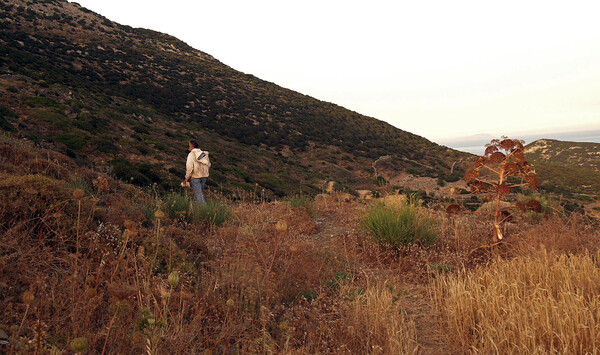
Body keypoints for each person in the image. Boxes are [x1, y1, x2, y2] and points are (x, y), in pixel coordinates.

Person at [182, 139, 210, 205]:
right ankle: (196, 210)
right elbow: (208, 164)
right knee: (199, 194)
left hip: (195, 177)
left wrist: (187, 177)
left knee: (198, 195)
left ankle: (206, 211)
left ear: (191, 146)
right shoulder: (204, 154)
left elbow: (189, 167)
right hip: (204, 176)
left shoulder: (191, 154)